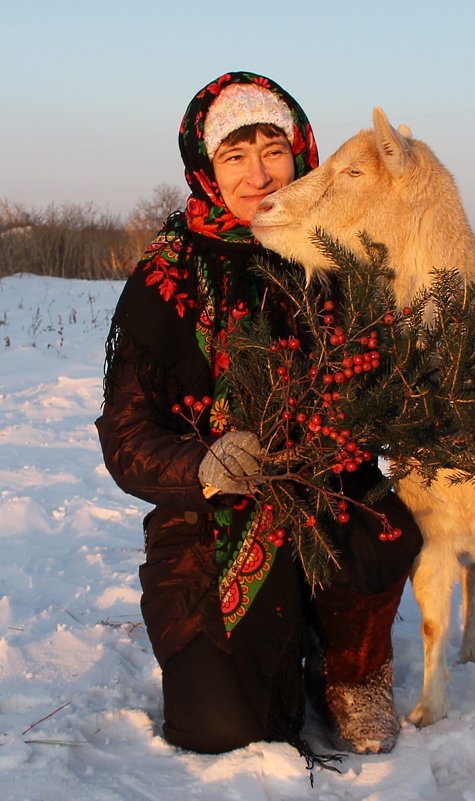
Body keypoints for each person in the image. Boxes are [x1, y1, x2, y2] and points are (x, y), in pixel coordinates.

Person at [96, 71, 422, 759]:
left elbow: (397, 380)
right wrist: (202, 464)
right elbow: (127, 439)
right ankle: (277, 648)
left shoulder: (342, 257)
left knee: (383, 525)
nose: (257, 174)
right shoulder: (167, 275)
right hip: (213, 512)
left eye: (272, 149)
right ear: (206, 168)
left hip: (332, 491)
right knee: (226, 730)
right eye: (234, 156)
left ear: (302, 153)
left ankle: (351, 669)